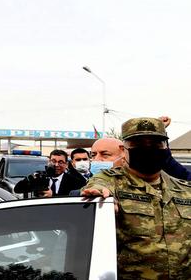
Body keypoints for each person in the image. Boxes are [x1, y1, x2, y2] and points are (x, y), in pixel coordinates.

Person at [82, 117, 191, 279]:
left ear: (165, 148)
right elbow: (98, 185)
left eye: (155, 144)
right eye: (139, 145)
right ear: (125, 149)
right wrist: (99, 195)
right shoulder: (112, 181)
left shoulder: (184, 189)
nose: (148, 149)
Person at [15, 149, 86, 197]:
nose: (56, 165)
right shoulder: (40, 176)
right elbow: (17, 189)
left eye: (60, 162)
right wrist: (29, 179)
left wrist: (53, 195)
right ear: (49, 162)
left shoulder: (75, 181)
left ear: (66, 164)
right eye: (54, 161)